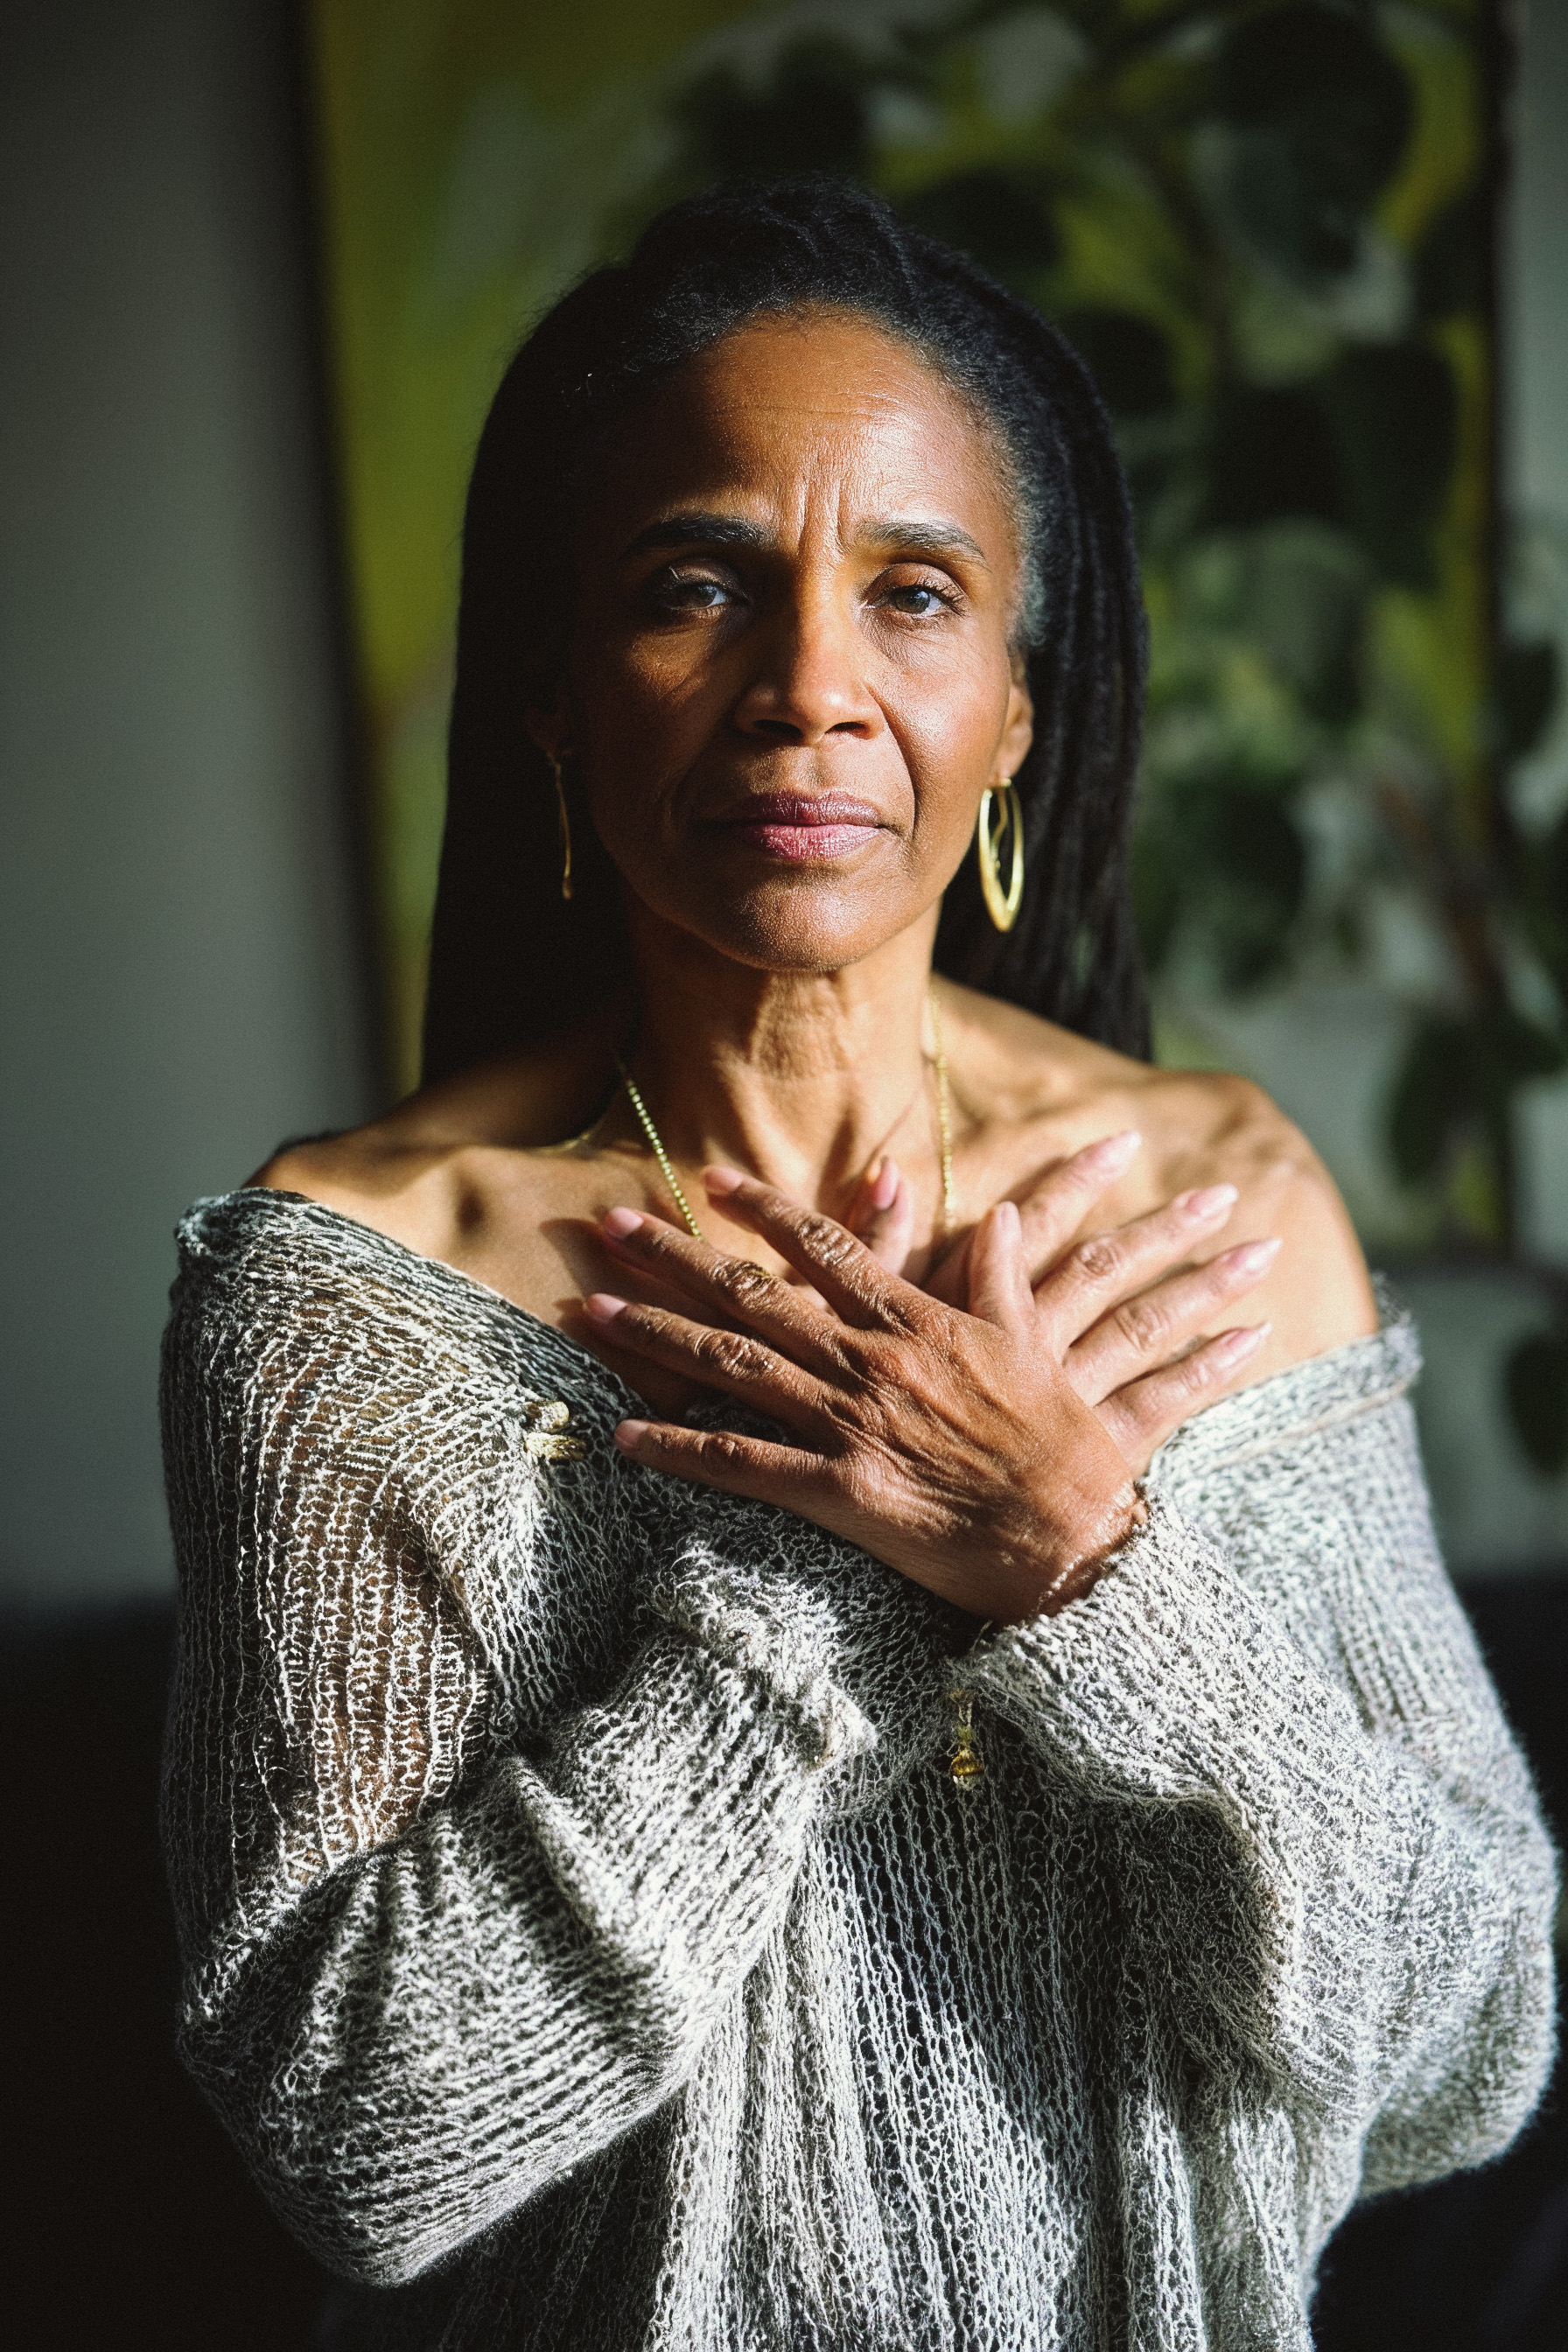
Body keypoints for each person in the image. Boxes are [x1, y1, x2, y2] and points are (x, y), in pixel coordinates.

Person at [160, 183, 1556, 2351]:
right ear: (555, 693)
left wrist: (1091, 1568)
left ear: (1013, 713)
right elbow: (356, 2134)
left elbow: (1467, 2052)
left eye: (912, 594)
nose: (805, 687)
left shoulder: (1211, 1209)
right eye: (693, 586)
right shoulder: (347, 1302)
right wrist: (851, 1575)